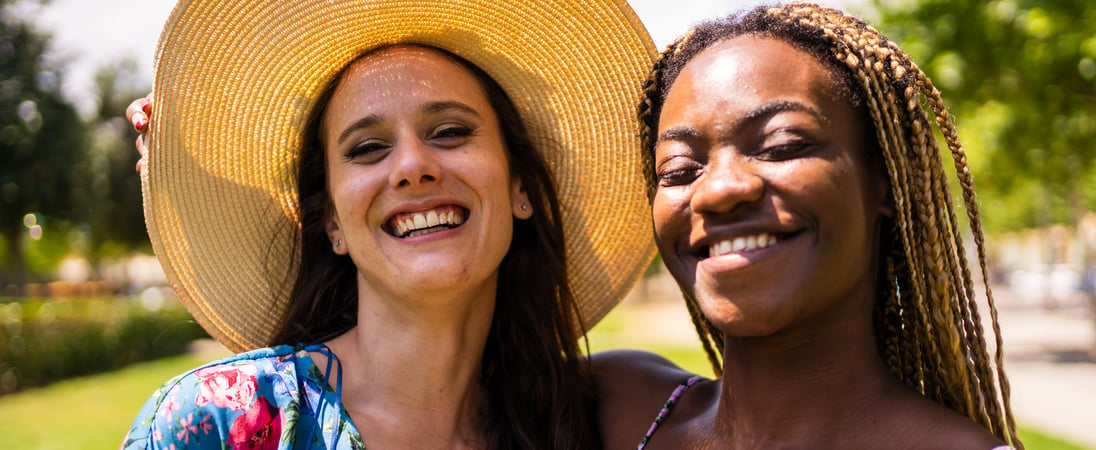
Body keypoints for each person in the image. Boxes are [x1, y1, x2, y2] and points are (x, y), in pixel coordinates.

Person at [121, 0, 655, 448]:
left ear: (519, 187)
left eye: (449, 131)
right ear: (332, 221)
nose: (411, 167)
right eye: (369, 147)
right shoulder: (216, 424)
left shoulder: (591, 421)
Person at [594, 3, 1022, 449]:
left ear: (885, 183)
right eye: (679, 170)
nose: (717, 190)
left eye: (781, 145)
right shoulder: (606, 406)